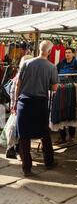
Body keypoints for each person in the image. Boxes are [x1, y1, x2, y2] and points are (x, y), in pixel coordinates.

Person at [15, 41, 58, 176]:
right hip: (40, 103)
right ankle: (49, 162)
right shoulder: (52, 67)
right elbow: (54, 88)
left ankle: (26, 168)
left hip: (24, 102)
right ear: (50, 52)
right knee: (44, 134)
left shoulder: (26, 63)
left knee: (24, 136)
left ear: (38, 49)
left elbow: (18, 84)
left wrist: (16, 102)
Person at [5, 54, 33, 159]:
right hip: (18, 106)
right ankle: (13, 149)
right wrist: (14, 105)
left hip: (17, 105)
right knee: (15, 128)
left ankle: (13, 149)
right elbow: (13, 91)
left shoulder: (21, 74)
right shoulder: (21, 75)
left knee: (14, 127)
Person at [56, 47, 77, 143]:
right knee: (61, 111)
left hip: (72, 89)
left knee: (71, 110)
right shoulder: (61, 62)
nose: (67, 54)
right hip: (62, 88)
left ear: (73, 54)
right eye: (66, 53)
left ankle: (72, 136)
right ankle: (62, 136)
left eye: (69, 53)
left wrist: (74, 76)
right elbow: (55, 71)